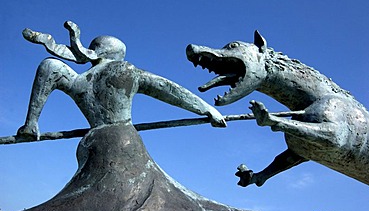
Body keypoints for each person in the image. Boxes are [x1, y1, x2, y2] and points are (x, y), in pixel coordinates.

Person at [17, 21, 226, 140]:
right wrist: (208, 109)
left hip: (91, 141)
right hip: (122, 140)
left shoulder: (77, 80)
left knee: (50, 64)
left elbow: (48, 68)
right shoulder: (124, 69)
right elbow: (168, 89)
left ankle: (29, 125)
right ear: (119, 55)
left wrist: (32, 122)